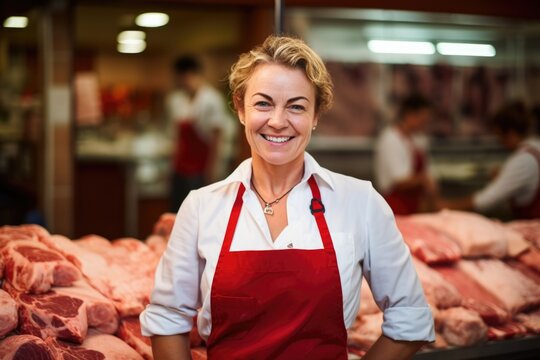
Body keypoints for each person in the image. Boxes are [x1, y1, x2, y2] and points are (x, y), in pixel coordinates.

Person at [140, 35, 434, 359]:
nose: (278, 122)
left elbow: (411, 319)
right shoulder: (201, 206)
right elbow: (167, 320)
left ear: (316, 116)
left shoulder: (360, 201)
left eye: (296, 106)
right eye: (263, 103)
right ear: (240, 108)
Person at [439, 101, 540, 219]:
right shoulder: (535, 147)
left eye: (500, 137)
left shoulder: (523, 161)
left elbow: (485, 201)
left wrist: (445, 206)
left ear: (510, 133)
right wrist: (504, 176)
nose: (501, 143)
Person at [166, 55, 236, 211]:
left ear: (192, 74)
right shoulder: (177, 100)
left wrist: (212, 170)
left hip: (200, 166)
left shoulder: (211, 99)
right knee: (178, 209)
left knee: (198, 210)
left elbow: (217, 136)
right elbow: (177, 138)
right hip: (181, 165)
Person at [374, 94, 438, 215]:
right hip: (395, 207)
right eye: (422, 120)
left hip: (415, 207)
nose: (424, 124)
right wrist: (423, 180)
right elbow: (399, 182)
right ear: (410, 115)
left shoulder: (419, 139)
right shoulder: (390, 138)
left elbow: (428, 171)